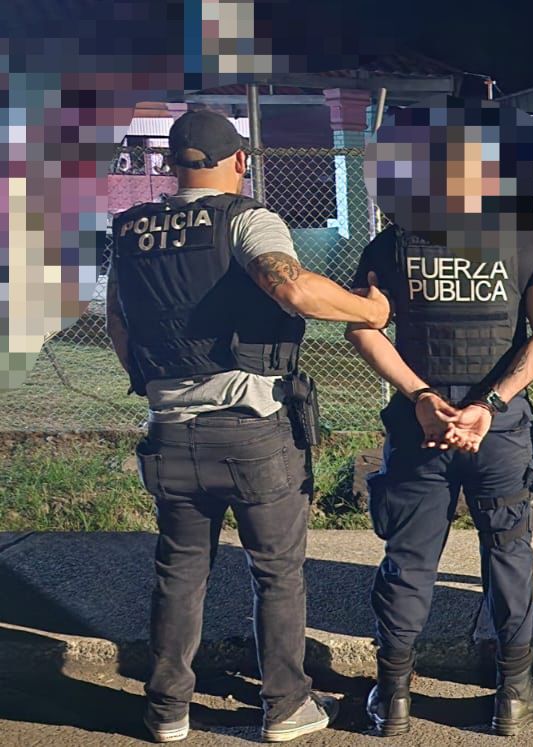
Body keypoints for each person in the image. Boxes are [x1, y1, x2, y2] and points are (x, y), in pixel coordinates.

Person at [105, 109, 391, 743]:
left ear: (173, 163)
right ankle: (286, 707)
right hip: (251, 428)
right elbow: (292, 290)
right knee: (277, 572)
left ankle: (166, 711)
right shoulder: (246, 218)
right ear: (239, 160)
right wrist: (371, 310)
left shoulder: (128, 230)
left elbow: (119, 323)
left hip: (169, 429)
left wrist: (156, 387)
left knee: (179, 573)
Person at [345, 224, 533, 737]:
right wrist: (490, 404)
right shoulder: (526, 242)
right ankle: (514, 695)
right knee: (509, 554)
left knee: (409, 558)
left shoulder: (392, 244)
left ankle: (394, 696)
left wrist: (421, 396)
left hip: (420, 427)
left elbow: (361, 326)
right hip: (499, 431)